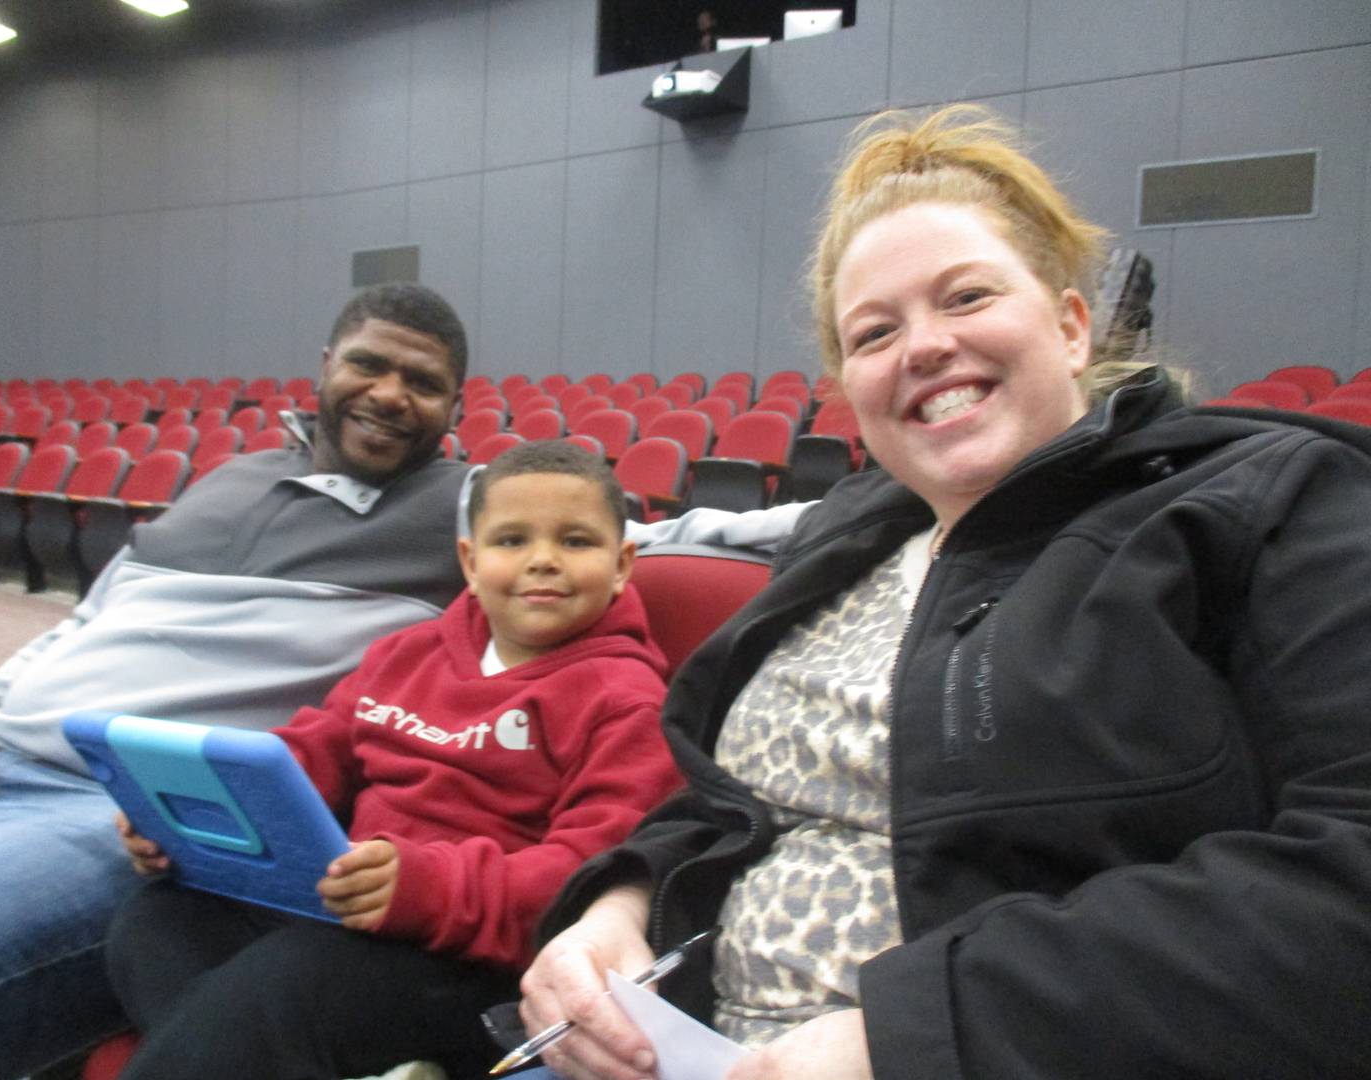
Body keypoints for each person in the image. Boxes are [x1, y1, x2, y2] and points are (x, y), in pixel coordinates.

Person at [513, 104, 1371, 1080]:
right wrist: (620, 909)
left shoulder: (1270, 503)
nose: (922, 347)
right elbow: (727, 807)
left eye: (966, 297)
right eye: (875, 332)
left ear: (1071, 324)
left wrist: (921, 1032)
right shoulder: (841, 545)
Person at [0, 281, 474, 1080]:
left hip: (114, 812)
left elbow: (646, 535)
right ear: (326, 367)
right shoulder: (230, 477)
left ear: (454, 409)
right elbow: (85, 623)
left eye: (423, 384)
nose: (390, 395)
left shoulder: (467, 504)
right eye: (369, 365)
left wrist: (731, 518)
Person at [103, 440, 683, 1080]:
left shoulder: (627, 700)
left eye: (576, 542)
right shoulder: (406, 653)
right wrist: (189, 808)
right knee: (157, 920)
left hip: (472, 959)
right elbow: (314, 750)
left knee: (281, 990)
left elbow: (587, 874)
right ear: (469, 560)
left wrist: (428, 888)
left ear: (624, 563)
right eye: (512, 540)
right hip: (349, 905)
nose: (542, 561)